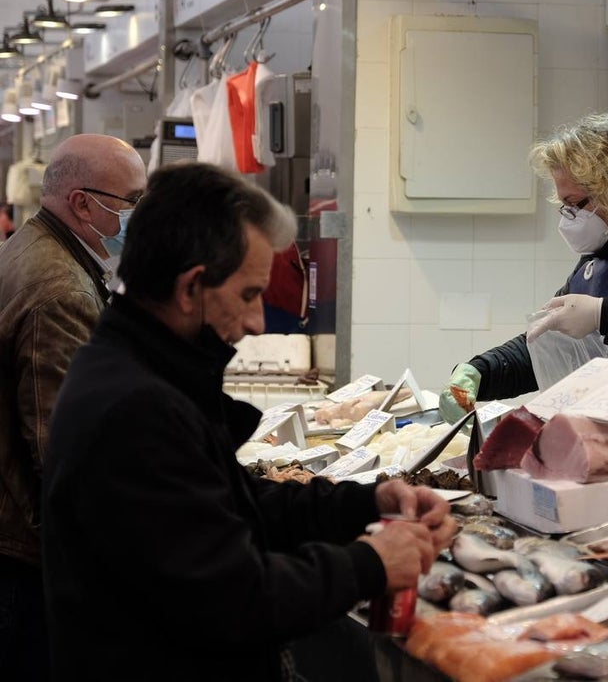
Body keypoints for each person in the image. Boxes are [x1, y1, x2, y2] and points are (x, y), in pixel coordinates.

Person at [41, 163, 457, 681]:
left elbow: (234, 506)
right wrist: (367, 564)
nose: (259, 321)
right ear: (192, 287)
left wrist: (367, 501)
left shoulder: (147, 370)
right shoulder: (135, 406)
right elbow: (227, 597)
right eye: (248, 294)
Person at [438, 113, 608, 462]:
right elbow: (551, 340)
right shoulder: (606, 244)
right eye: (563, 205)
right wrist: (482, 370)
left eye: (575, 204)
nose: (569, 217)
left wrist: (604, 314)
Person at [0, 134, 147, 680]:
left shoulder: (28, 248)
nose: (137, 215)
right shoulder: (61, 289)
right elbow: (62, 449)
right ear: (83, 202)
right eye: (130, 201)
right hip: (25, 559)